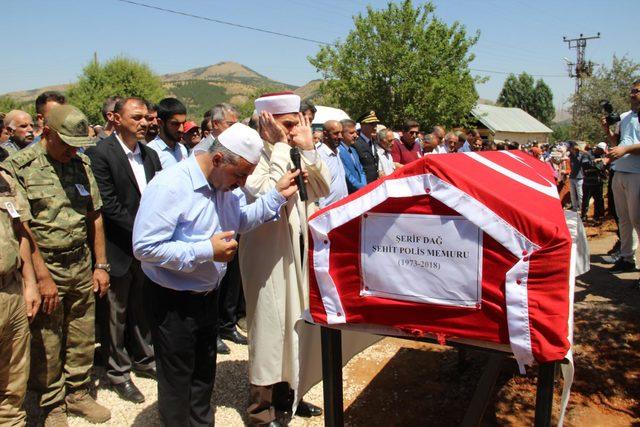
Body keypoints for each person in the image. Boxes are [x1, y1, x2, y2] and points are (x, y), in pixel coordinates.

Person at [132, 122, 302, 425]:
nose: (241, 183)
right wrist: (205, 251)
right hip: (172, 301)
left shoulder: (225, 186)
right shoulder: (170, 185)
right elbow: (145, 248)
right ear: (218, 159)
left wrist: (276, 196)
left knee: (202, 376)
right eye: (240, 175)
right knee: (177, 381)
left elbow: (239, 221)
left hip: (207, 297)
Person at [4, 104, 111, 425]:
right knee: (47, 339)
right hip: (45, 266)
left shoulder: (81, 164)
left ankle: (77, 393)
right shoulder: (19, 167)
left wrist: (101, 265)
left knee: (81, 332)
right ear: (46, 133)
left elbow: (95, 215)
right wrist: (41, 278)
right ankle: (52, 404)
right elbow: (22, 228)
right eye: (66, 144)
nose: (72, 151)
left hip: (80, 262)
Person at [239, 92, 330, 426]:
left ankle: (290, 396)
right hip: (267, 256)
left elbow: (321, 188)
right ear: (267, 121)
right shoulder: (248, 152)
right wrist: (280, 148)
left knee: (296, 324)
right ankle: (260, 411)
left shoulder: (293, 149)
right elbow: (264, 193)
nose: (293, 131)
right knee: (268, 328)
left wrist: (307, 150)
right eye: (288, 124)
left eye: (297, 124)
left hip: (299, 251)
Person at [85, 97, 162, 404]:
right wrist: (144, 231)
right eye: (137, 117)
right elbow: (108, 204)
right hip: (119, 248)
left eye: (146, 117)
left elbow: (158, 196)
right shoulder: (100, 154)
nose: (144, 122)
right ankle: (118, 372)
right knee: (115, 315)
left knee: (143, 307)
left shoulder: (150, 155)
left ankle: (145, 359)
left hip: (146, 248)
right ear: (116, 119)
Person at [190, 103, 245, 354]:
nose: (235, 129)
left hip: (231, 218)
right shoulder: (203, 152)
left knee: (229, 278)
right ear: (214, 125)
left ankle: (227, 323)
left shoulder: (232, 150)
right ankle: (213, 331)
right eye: (230, 124)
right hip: (209, 233)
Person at [0, 165, 41, 425]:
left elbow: (20, 232)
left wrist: (30, 283)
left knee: (14, 377)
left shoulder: (3, 179)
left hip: (11, 289)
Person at [602, 79, 640, 276]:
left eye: (637, 91)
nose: (633, 94)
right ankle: (627, 258)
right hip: (620, 171)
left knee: (638, 219)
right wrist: (607, 131)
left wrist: (625, 149)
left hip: (637, 173)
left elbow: (626, 146)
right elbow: (618, 142)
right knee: (623, 219)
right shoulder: (624, 116)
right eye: (632, 90)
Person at [145, 98, 188, 169]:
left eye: (183, 123)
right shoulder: (150, 152)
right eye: (175, 124)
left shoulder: (182, 149)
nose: (181, 129)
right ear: (160, 123)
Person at [317, 120, 348, 208]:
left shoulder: (337, 152)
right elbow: (319, 187)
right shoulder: (320, 155)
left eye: (341, 133)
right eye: (336, 133)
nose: (340, 136)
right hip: (328, 211)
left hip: (342, 207)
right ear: (325, 134)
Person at [338, 118, 367, 193]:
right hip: (350, 193)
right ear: (341, 134)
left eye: (356, 132)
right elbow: (347, 176)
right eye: (351, 133)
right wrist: (362, 188)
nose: (355, 135)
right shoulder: (338, 151)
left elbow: (361, 170)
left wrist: (364, 186)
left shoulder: (353, 150)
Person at [581, 142, 607, 224]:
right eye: (601, 150)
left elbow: (602, 166)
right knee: (586, 200)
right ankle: (583, 216)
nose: (602, 153)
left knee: (598, 200)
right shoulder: (587, 154)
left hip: (598, 182)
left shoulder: (602, 156)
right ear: (598, 148)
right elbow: (585, 165)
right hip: (588, 182)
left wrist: (597, 164)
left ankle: (596, 217)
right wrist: (596, 163)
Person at [353, 111, 380, 183]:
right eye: (372, 124)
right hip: (365, 186)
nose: (375, 128)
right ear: (362, 125)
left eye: (375, 124)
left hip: (375, 184)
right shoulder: (356, 144)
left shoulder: (374, 142)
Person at [568, 141, 587, 213]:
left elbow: (587, 154)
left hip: (579, 177)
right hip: (572, 177)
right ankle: (575, 208)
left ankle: (582, 209)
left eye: (571, 147)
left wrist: (579, 148)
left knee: (580, 194)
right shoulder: (570, 155)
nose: (570, 149)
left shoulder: (580, 155)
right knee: (572, 194)